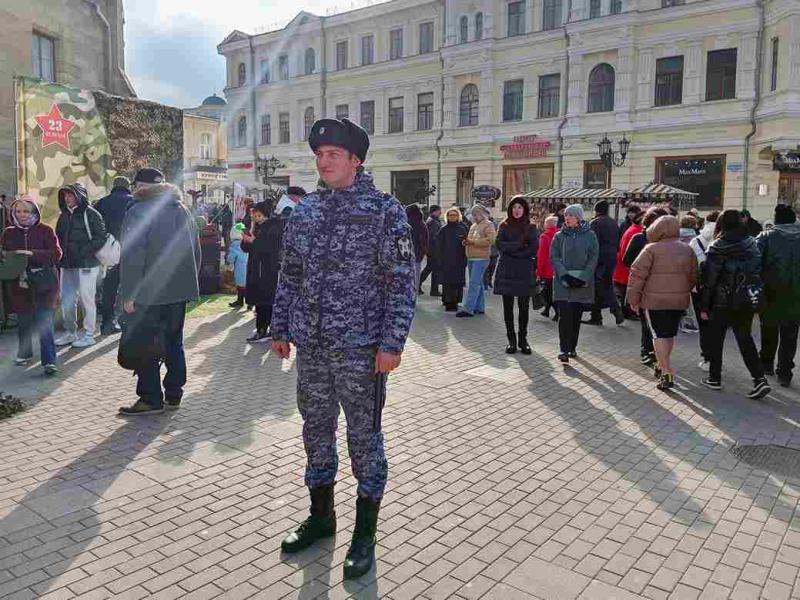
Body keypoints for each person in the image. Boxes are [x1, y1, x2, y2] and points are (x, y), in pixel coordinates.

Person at [271, 117, 415, 580]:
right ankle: (322, 516)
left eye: (333, 154)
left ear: (356, 160)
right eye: (319, 154)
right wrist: (280, 325)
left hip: (362, 350)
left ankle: (364, 533)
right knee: (316, 433)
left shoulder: (383, 210)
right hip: (311, 347)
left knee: (364, 439)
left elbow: (401, 282)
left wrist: (392, 343)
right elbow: (289, 273)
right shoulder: (306, 211)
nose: (324, 161)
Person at [118, 167, 202, 416]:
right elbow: (195, 251)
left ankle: (150, 397)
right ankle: (174, 394)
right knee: (174, 342)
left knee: (146, 345)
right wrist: (190, 284)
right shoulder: (182, 209)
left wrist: (129, 293)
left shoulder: (138, 211)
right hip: (178, 290)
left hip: (148, 292)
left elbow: (133, 255)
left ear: (140, 186)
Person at [699, 209, 771, 399]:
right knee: (745, 338)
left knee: (716, 339)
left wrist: (704, 306)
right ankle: (759, 378)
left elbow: (710, 281)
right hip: (746, 298)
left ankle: (715, 378)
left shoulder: (717, 247)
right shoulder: (751, 244)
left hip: (721, 301)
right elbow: (758, 270)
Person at [626, 215, 697, 390]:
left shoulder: (650, 249)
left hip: (654, 301)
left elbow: (636, 275)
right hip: (678, 300)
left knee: (658, 334)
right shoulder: (687, 250)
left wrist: (633, 299)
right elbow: (694, 276)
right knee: (670, 334)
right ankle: (663, 364)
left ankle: (666, 371)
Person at [0, 195, 62, 375]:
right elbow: (4, 255)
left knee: (45, 323)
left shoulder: (45, 230)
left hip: (44, 285)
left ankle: (49, 361)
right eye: (18, 211)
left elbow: (56, 254)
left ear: (34, 211)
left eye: (26, 211)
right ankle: (25, 353)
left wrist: (31, 253)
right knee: (24, 323)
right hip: (19, 286)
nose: (22, 215)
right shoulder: (8, 233)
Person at [54, 182, 108, 348]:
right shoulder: (63, 215)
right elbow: (58, 238)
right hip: (67, 264)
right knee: (67, 299)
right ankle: (71, 332)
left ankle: (89, 334)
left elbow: (101, 237)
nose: (67, 198)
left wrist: (84, 251)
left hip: (87, 264)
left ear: (80, 195)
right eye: (65, 195)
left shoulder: (91, 214)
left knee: (87, 299)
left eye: (71, 194)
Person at [757, 204, 800, 387]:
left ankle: (766, 363)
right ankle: (785, 372)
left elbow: (754, 263)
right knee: (790, 333)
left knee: (768, 328)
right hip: (796, 294)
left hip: (770, 292)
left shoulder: (766, 237)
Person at [550, 204, 599, 363]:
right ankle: (563, 350)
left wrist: (583, 277)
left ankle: (572, 347)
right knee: (564, 317)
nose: (567, 217)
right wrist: (564, 274)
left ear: (578, 217)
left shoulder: (590, 235)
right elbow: (554, 257)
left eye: (571, 215)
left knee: (576, 316)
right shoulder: (559, 236)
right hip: (562, 282)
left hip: (581, 283)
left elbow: (593, 258)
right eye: (566, 215)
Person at [623, 206, 669, 366]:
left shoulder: (640, 238)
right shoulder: (670, 241)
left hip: (647, 285)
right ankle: (654, 353)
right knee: (657, 323)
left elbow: (626, 260)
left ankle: (649, 351)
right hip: (660, 288)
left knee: (648, 321)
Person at [494, 197, 538, 354]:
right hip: (506, 270)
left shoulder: (531, 227)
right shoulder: (503, 225)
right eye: (514, 207)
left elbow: (533, 249)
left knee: (524, 307)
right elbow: (499, 245)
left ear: (524, 209)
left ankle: (523, 340)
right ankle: (511, 340)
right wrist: (519, 245)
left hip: (523, 270)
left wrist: (513, 251)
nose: (517, 210)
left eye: (520, 207)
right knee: (508, 307)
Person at [95, 175, 133, 335]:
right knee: (129, 287)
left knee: (109, 288)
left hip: (110, 251)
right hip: (131, 249)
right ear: (128, 186)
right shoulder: (133, 201)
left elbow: (97, 226)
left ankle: (107, 323)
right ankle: (127, 321)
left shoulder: (102, 202)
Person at [241, 202, 283, 342]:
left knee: (266, 300)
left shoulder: (273, 226)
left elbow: (271, 248)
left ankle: (264, 329)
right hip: (255, 268)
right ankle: (263, 328)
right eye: (254, 215)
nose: (256, 218)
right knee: (260, 300)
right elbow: (247, 249)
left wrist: (254, 242)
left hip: (266, 269)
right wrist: (247, 241)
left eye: (259, 215)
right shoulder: (255, 227)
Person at [585, 200, 624, 326]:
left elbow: (591, 243)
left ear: (596, 210)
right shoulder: (614, 223)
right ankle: (611, 311)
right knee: (607, 284)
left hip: (599, 258)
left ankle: (598, 315)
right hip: (611, 258)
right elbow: (619, 241)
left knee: (597, 286)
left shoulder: (595, 223)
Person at [689, 211, 719, 371]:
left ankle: (706, 356)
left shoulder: (696, 241)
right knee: (718, 326)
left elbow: (689, 266)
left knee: (703, 325)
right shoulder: (725, 241)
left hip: (699, 288)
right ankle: (716, 359)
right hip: (720, 289)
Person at [457, 205, 496, 317]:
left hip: (481, 257)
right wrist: (466, 242)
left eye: (476, 214)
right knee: (478, 283)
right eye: (473, 214)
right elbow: (471, 239)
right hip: (472, 256)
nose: (474, 216)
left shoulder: (488, 224)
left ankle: (468, 308)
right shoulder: (474, 225)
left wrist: (473, 242)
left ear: (482, 214)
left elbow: (491, 240)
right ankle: (480, 307)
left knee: (474, 283)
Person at [613, 207, 644, 320]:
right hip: (627, 267)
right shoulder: (636, 232)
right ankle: (627, 312)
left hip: (624, 266)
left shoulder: (633, 229)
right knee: (626, 290)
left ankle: (626, 311)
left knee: (625, 290)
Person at [436, 207, 468, 311]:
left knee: (457, 281)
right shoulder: (443, 229)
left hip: (459, 259)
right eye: (450, 215)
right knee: (447, 281)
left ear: (458, 216)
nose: (452, 217)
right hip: (446, 259)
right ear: (447, 217)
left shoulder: (462, 228)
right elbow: (439, 244)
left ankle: (456, 301)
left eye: (454, 215)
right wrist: (440, 258)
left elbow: (466, 243)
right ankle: (448, 301)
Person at [536, 216, 559, 320]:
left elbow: (541, 255)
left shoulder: (544, 236)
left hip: (547, 269)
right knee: (552, 291)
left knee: (546, 292)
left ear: (546, 225)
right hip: (558, 268)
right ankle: (547, 310)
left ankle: (556, 311)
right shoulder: (561, 235)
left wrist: (539, 271)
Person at [419, 205, 442, 296]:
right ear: (435, 211)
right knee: (434, 269)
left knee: (429, 268)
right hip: (434, 250)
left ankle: (419, 284)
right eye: (439, 211)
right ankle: (434, 290)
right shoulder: (434, 222)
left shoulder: (430, 220)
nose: (440, 212)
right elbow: (435, 237)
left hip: (431, 249)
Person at [406, 204, 429, 294]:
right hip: (417, 253)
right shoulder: (421, 224)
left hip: (405, 253)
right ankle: (415, 291)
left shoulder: (404, 223)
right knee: (416, 275)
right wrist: (424, 251)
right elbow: (424, 239)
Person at [226, 224, 248, 308]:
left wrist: (229, 261)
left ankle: (240, 301)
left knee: (240, 286)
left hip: (240, 268)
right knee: (247, 286)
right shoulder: (246, 241)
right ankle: (250, 303)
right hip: (248, 266)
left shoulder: (235, 244)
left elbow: (232, 256)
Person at [484, 214, 499, 290]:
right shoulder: (485, 230)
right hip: (486, 252)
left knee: (492, 267)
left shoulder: (497, 231)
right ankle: (485, 283)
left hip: (495, 253)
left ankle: (489, 281)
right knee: (486, 268)